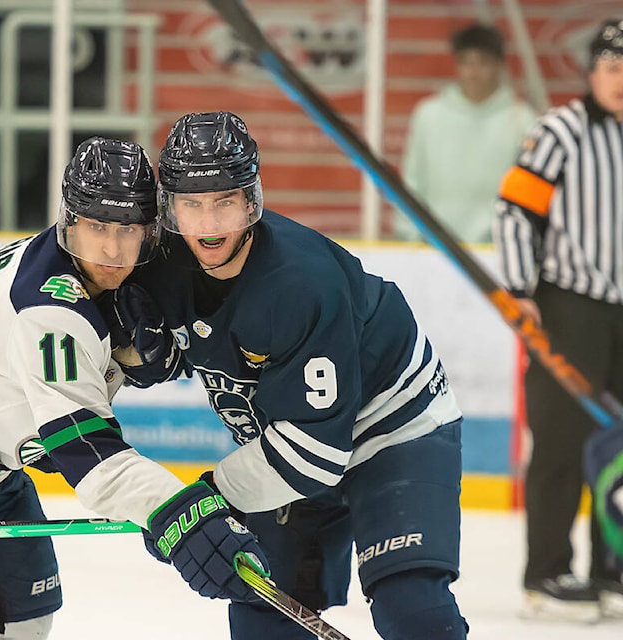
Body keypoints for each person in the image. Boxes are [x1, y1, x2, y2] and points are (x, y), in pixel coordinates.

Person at [0, 136, 269, 640]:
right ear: (70, 221)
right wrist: (181, 515)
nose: (112, 248)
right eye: (97, 226)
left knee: (22, 619)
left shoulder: (116, 280)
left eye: (128, 229)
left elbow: (65, 418)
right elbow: (89, 458)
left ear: (150, 231)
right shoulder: (51, 310)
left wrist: (129, 364)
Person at [105, 111, 469, 639]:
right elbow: (148, 348)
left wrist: (207, 499)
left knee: (411, 608)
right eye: (192, 205)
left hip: (394, 427)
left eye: (225, 201)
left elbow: (314, 454)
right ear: (169, 208)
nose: (208, 225)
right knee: (262, 614)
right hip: (284, 441)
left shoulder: (301, 283)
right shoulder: (161, 264)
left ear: (251, 200)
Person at [494, 17, 623, 622]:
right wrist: (520, 289)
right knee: (563, 442)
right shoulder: (561, 132)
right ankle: (547, 571)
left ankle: (612, 566)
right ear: (591, 72)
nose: (621, 79)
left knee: (621, 447)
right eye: (612, 67)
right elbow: (516, 212)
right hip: (571, 307)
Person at [397, 22, 536, 243]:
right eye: (466, 62)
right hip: (433, 247)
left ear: (499, 65)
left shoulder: (523, 119)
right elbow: (412, 181)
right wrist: (410, 235)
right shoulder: (429, 114)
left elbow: (528, 193)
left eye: (483, 62)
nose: (473, 72)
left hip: (497, 249)